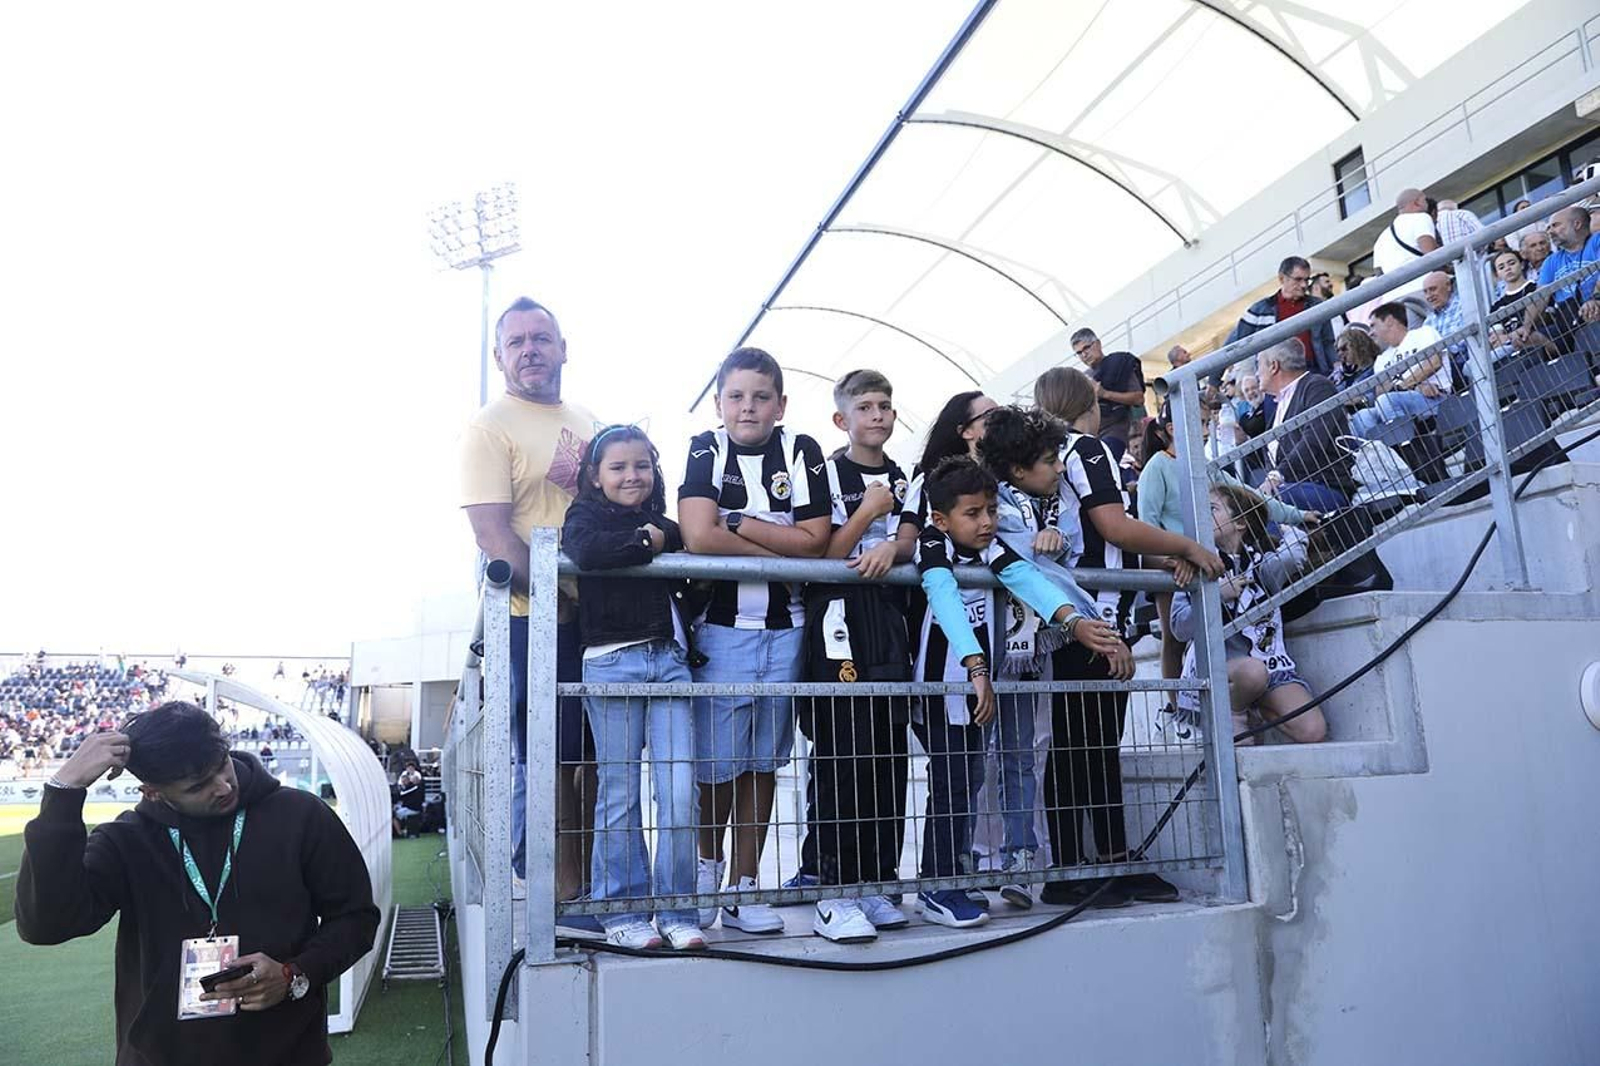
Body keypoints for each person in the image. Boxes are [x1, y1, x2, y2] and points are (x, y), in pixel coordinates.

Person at [15, 702, 379, 1066]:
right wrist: (63, 792)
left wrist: (294, 974)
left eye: (222, 763)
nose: (223, 786)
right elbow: (47, 925)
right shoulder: (126, 841)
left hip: (287, 1053)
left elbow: (356, 918)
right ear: (152, 792)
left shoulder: (302, 816)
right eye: (198, 786)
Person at [1033, 367, 1225, 907]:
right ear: (1088, 403)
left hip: (1071, 615)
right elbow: (1114, 526)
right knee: (1087, 747)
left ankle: (1097, 861)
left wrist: (1161, 558)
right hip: (1096, 618)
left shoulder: (1053, 453)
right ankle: (1082, 866)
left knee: (1084, 747)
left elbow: (1104, 536)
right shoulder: (1085, 447)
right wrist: (1187, 547)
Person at [911, 457, 1124, 928]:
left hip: (976, 682)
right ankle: (937, 884)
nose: (986, 522)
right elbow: (943, 597)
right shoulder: (932, 543)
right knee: (951, 784)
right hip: (948, 683)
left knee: (967, 781)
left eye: (990, 510)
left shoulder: (990, 547)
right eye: (973, 513)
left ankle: (953, 877)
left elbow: (1026, 578)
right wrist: (976, 665)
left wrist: (1073, 620)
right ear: (942, 519)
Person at [678, 346, 831, 934]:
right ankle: (703, 876)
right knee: (716, 767)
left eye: (761, 396)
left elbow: (816, 540)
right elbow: (696, 534)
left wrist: (734, 522)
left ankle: (744, 886)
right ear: (720, 403)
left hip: (787, 633)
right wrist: (775, 540)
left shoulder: (802, 450)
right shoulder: (705, 447)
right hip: (721, 634)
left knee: (763, 764)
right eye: (737, 396)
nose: (748, 407)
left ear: (780, 404)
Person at [459, 297, 596, 906]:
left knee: (592, 756)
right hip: (530, 618)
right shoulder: (490, 427)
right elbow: (493, 538)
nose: (530, 350)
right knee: (545, 756)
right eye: (516, 342)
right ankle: (546, 882)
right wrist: (551, 601)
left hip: (597, 620)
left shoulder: (588, 420)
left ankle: (585, 878)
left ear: (564, 347)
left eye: (541, 338)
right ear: (498, 357)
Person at [561, 424, 705, 951]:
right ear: (595, 477)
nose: (631, 475)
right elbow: (587, 552)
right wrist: (648, 541)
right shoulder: (585, 516)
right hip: (612, 662)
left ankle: (678, 909)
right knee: (619, 792)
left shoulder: (665, 519)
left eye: (641, 465)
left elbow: (695, 538)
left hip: (670, 662)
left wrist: (661, 534)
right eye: (618, 467)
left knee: (678, 789)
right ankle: (621, 907)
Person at [794, 370, 915, 942]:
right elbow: (823, 553)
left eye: (885, 406)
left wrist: (895, 542)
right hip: (836, 618)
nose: (877, 415)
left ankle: (877, 878)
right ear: (842, 419)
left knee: (887, 748)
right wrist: (867, 515)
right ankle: (832, 884)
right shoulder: (826, 473)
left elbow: (914, 538)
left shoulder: (905, 475)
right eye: (865, 406)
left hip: (887, 621)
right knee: (843, 745)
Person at [974, 406, 1107, 909]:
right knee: (982, 757)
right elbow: (1007, 559)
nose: (1057, 468)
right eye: (1049, 459)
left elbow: (1064, 559)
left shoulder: (1056, 503)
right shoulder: (991, 504)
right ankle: (979, 859)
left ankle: (1020, 857)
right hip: (991, 645)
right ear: (1016, 469)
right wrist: (1035, 549)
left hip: (1037, 647)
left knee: (1030, 750)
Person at [1136, 404, 1315, 686]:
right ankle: (1176, 712)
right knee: (1174, 640)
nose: (1206, 430)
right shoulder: (1156, 467)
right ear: (1171, 430)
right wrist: (1174, 559)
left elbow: (1249, 498)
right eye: (1201, 423)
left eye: (1207, 423)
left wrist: (1298, 514)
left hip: (1211, 560)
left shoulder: (1205, 467)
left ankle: (1226, 700)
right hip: (1175, 567)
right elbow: (1147, 526)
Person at [1171, 485, 1328, 745]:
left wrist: (1291, 525)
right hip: (1221, 666)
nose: (1203, 515)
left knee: (1312, 730)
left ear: (1240, 523)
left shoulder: (1260, 563)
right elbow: (1179, 627)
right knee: (1252, 673)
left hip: (1267, 662)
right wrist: (1217, 595)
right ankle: (1234, 711)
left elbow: (1291, 559)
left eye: (1212, 509)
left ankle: (1254, 708)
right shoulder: (1192, 564)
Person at [1254, 340, 1355, 513]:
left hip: (1326, 486)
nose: (1256, 373)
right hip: (1291, 490)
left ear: (1273, 366)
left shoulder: (1316, 387)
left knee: (1266, 506)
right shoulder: (1278, 406)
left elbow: (1313, 440)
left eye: (1259, 366)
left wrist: (1276, 477)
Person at [1353, 302, 1450, 440]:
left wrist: (1403, 386)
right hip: (1398, 402)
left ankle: (1408, 449)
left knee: (1388, 401)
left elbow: (1434, 362)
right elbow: (1380, 392)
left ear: (1389, 321)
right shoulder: (1381, 358)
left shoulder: (1423, 333)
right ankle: (1387, 457)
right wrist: (1414, 386)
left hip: (1437, 399)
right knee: (1363, 416)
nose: (1371, 333)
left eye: (1373, 325)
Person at [1227, 256, 1338, 376]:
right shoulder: (1259, 310)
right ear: (1282, 278)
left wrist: (1336, 363)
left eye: (1307, 280)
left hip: (1314, 371)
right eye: (1298, 279)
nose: (1304, 285)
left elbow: (1328, 342)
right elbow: (1233, 346)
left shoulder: (1317, 306)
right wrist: (1214, 381)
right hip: (1276, 376)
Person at [1518, 205, 1600, 350]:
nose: (1549, 231)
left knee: (1592, 313)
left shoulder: (1597, 241)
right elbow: (1540, 297)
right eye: (1548, 227)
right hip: (1568, 319)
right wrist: (1525, 327)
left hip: (1595, 307)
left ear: (1577, 224)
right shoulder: (1551, 261)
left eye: (1555, 225)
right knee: (1527, 340)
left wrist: (1595, 299)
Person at [1069, 328, 1145, 458]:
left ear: (1097, 343)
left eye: (1086, 348)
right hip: (1092, 435)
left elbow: (1138, 399)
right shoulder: (1083, 378)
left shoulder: (1119, 363)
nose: (1084, 355)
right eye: (1079, 353)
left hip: (1117, 431)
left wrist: (1104, 393)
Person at [1371, 188, 1440, 299]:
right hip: (1422, 290)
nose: (1426, 204)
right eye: (1424, 200)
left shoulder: (1381, 238)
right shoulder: (1421, 218)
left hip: (1393, 299)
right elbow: (1432, 257)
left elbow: (1379, 274)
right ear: (1417, 202)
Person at [1488, 249, 1556, 358]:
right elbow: (1497, 339)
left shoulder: (1536, 288)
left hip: (1540, 339)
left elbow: (1546, 318)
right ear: (1497, 275)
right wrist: (1512, 335)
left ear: (1522, 265)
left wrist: (1511, 335)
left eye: (1512, 263)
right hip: (1509, 348)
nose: (1507, 268)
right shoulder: (1497, 306)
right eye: (1501, 267)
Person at [391, 762, 425, 838]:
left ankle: (400, 833)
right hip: (409, 807)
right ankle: (402, 830)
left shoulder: (413, 787)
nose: (403, 782)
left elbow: (402, 794)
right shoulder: (409, 786)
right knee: (396, 810)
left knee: (394, 815)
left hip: (413, 808)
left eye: (404, 781)